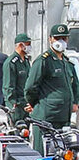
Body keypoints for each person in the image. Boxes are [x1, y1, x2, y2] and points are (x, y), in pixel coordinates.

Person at [24, 23, 78, 152]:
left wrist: (75, 102)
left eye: (64, 38)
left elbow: (75, 85)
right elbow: (31, 87)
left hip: (63, 117)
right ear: (50, 39)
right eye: (57, 38)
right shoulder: (43, 61)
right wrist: (35, 103)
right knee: (43, 154)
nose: (61, 41)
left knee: (61, 155)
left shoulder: (67, 62)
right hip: (46, 117)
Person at [4, 33, 31, 127]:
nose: (29, 46)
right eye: (28, 44)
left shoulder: (26, 61)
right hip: (17, 106)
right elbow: (8, 86)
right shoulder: (11, 62)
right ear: (20, 45)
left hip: (25, 104)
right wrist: (12, 104)